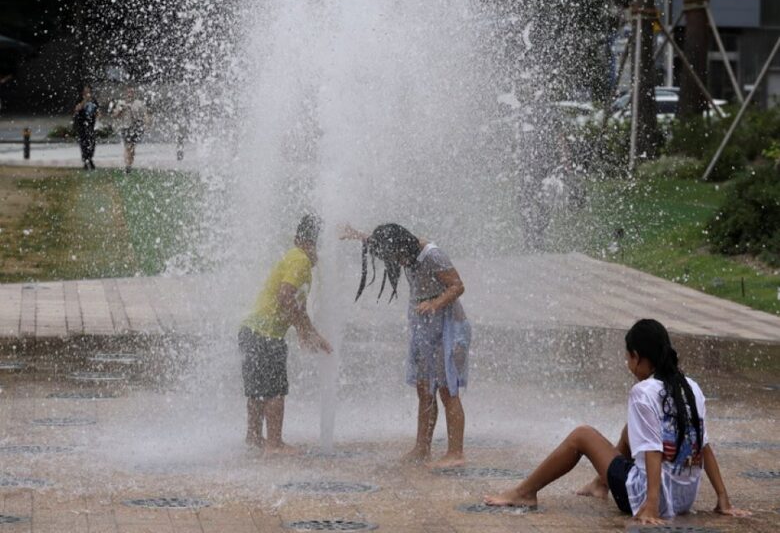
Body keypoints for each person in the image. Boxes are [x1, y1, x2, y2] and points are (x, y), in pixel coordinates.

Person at [484, 319, 750, 524]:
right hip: (683, 498)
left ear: (637, 357)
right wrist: (723, 500)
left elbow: (653, 451)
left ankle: (524, 492)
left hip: (644, 497)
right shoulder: (690, 387)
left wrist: (650, 505)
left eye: (627, 358)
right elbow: (704, 447)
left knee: (581, 435)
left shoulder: (643, 392)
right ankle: (601, 484)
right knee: (630, 428)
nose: (627, 364)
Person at [341, 223, 471, 467]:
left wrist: (435, 303)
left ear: (404, 246)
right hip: (425, 329)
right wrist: (359, 236)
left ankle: (456, 453)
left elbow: (457, 285)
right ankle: (422, 448)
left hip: (449, 329)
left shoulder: (432, 255)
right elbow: (383, 241)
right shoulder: (404, 249)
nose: (396, 262)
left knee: (446, 389)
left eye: (395, 255)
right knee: (424, 389)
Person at [239, 214, 332, 454]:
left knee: (258, 389)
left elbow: (295, 306)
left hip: (252, 330)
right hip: (266, 334)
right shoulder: (300, 260)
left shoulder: (293, 256)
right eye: (319, 247)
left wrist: (309, 332)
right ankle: (275, 444)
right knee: (275, 391)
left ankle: (254, 437)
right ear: (312, 244)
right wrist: (304, 331)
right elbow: (285, 296)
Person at [111, 86, 149, 173]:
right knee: (127, 146)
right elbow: (114, 115)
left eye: (131, 92)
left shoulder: (138, 103)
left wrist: (146, 124)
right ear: (125, 93)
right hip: (125, 127)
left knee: (132, 148)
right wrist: (120, 110)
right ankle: (127, 165)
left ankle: (130, 163)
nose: (130, 94)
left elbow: (145, 114)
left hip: (136, 127)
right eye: (128, 92)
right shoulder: (121, 103)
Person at [73, 84, 99, 170]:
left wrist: (98, 116)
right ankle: (85, 161)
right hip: (82, 125)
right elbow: (77, 109)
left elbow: (97, 111)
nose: (87, 93)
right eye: (85, 91)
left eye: (89, 91)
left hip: (91, 125)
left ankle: (90, 158)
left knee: (92, 143)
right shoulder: (80, 99)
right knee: (83, 143)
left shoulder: (93, 100)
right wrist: (85, 101)